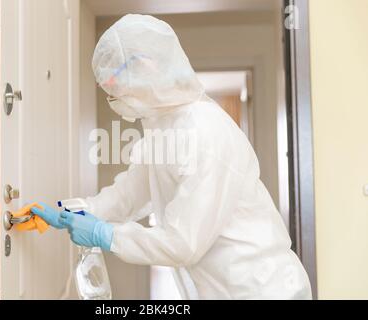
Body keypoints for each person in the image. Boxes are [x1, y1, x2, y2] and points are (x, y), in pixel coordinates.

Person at [31, 14, 312, 300]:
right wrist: (69, 211)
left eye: (116, 87)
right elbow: (128, 195)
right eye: (109, 91)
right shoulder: (162, 127)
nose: (114, 99)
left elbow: (183, 243)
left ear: (147, 66)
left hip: (263, 290)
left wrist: (105, 234)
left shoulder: (205, 131)